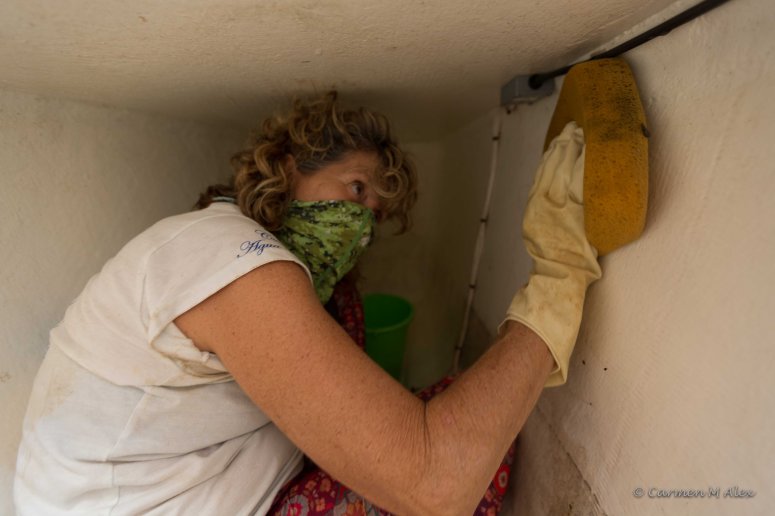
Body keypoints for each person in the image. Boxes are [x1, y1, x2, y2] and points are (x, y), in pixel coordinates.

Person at [15, 91, 600, 515]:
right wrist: (558, 277)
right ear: (290, 169)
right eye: (355, 189)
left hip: (198, 489)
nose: (362, 225)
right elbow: (436, 484)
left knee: (465, 408)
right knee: (472, 452)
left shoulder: (256, 261)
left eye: (374, 214)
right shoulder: (228, 257)